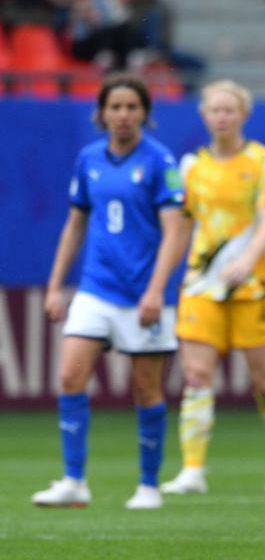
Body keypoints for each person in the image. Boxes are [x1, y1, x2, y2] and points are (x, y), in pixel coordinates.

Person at [32, 72, 189, 510]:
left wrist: (157, 291)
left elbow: (175, 231)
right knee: (69, 377)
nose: (122, 115)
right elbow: (75, 223)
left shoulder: (160, 162)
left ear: (145, 113)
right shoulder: (89, 159)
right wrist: (55, 284)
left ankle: (148, 485)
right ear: (101, 112)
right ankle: (73, 481)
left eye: (131, 107)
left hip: (143, 292)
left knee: (146, 391)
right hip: (95, 288)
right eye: (115, 107)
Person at [160, 80, 265, 496]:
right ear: (203, 116)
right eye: (214, 111)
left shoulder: (261, 160)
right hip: (202, 283)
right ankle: (193, 470)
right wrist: (161, 281)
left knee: (264, 382)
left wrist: (246, 258)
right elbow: (180, 230)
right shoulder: (189, 168)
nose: (221, 117)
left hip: (252, 283)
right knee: (197, 376)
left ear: (243, 115)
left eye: (229, 111)